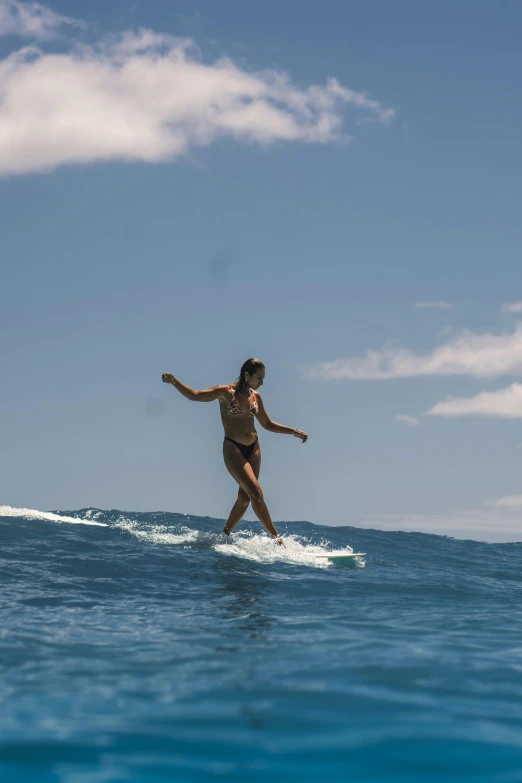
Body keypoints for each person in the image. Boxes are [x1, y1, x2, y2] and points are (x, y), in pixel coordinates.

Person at [161, 358, 308, 546]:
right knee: (255, 492)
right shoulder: (224, 393)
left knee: (245, 497)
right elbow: (195, 395)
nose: (262, 382)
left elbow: (267, 424)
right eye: (258, 378)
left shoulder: (256, 397)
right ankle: (277, 540)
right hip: (233, 449)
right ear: (246, 375)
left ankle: (225, 535)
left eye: (263, 378)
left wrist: (293, 431)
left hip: (254, 448)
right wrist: (174, 381)